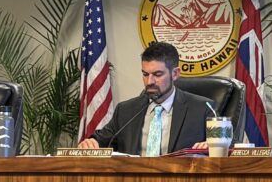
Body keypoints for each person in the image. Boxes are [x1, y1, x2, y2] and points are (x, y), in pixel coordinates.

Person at [79, 42, 214, 155]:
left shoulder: (202, 109)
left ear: (175, 73)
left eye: (157, 74)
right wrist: (92, 143)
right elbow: (102, 140)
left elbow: (226, 146)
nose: (149, 81)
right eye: (145, 74)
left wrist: (214, 147)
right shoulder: (126, 110)